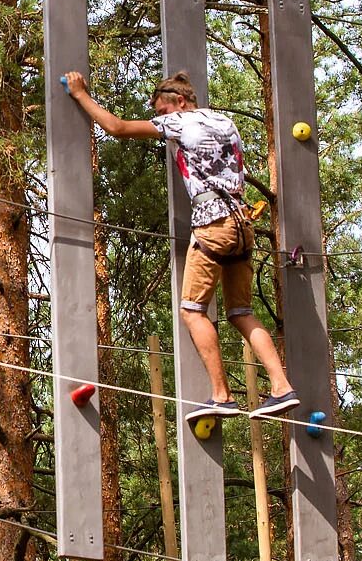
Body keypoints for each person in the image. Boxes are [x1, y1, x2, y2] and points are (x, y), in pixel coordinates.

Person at [61, 69, 300, 431]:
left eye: (163, 110)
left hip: (213, 225)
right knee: (241, 311)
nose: (162, 118)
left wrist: (80, 94)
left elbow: (118, 128)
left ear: (180, 102)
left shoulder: (181, 122)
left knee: (192, 311)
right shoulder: (225, 122)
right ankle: (281, 387)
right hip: (242, 225)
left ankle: (221, 396)